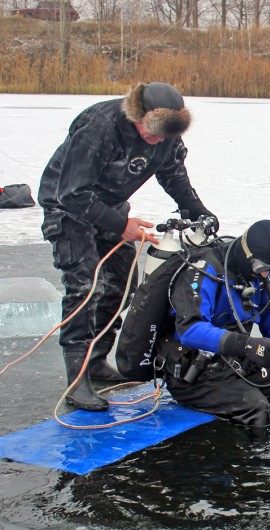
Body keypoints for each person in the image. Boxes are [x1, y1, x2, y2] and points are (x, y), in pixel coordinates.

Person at [38, 81, 217, 412]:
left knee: (121, 284)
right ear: (139, 115)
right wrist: (123, 227)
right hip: (67, 207)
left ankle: (95, 361)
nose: (157, 141)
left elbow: (173, 174)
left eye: (165, 136)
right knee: (84, 287)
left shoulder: (165, 134)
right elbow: (72, 194)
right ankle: (77, 382)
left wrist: (199, 210)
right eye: (153, 133)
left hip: (109, 206)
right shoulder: (99, 127)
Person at [153, 219, 270, 431]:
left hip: (239, 365)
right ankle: (249, 462)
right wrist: (247, 345)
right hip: (195, 374)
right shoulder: (203, 271)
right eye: (261, 267)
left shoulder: (258, 276)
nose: (264, 274)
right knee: (257, 411)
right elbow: (190, 329)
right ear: (245, 253)